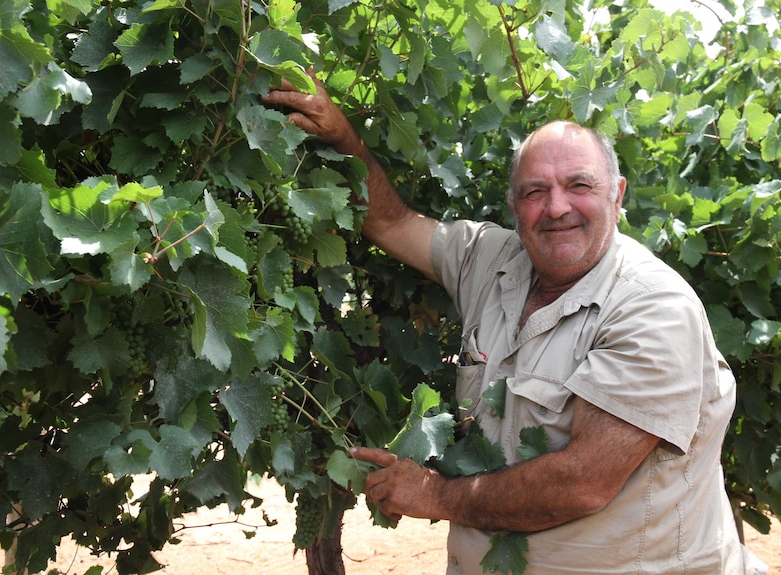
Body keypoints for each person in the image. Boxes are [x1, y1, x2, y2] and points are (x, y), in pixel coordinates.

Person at [262, 75, 758, 574]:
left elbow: (583, 482)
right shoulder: (491, 258)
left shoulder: (653, 308)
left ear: (618, 194)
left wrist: (435, 495)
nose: (557, 207)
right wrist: (343, 139)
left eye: (579, 185)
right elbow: (391, 222)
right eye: (534, 191)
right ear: (513, 206)